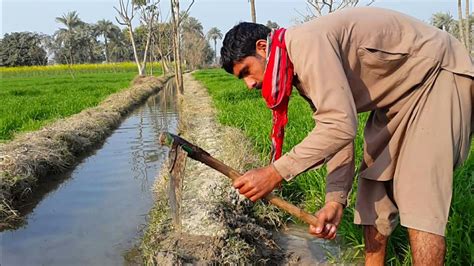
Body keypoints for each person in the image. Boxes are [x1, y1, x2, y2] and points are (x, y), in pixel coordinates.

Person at [220, 7, 473, 265]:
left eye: (246, 71)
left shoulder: (306, 43)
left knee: (420, 196)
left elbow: (339, 125)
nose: (249, 84)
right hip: (397, 98)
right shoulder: (295, 67)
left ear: (263, 48)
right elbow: (337, 132)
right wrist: (335, 200)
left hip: (435, 75)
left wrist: (275, 172)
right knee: (372, 195)